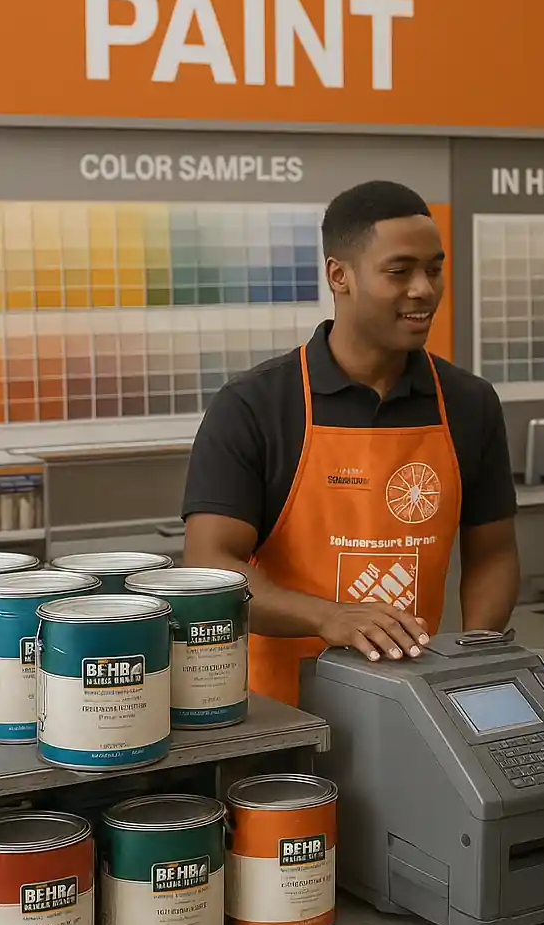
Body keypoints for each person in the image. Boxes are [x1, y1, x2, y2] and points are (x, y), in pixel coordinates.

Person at [181, 180, 521, 706]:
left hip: (415, 703)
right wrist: (330, 616)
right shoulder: (255, 405)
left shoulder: (469, 404)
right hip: (276, 713)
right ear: (339, 275)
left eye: (434, 269)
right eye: (399, 271)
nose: (424, 289)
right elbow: (208, 565)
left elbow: (492, 553)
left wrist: (475, 656)